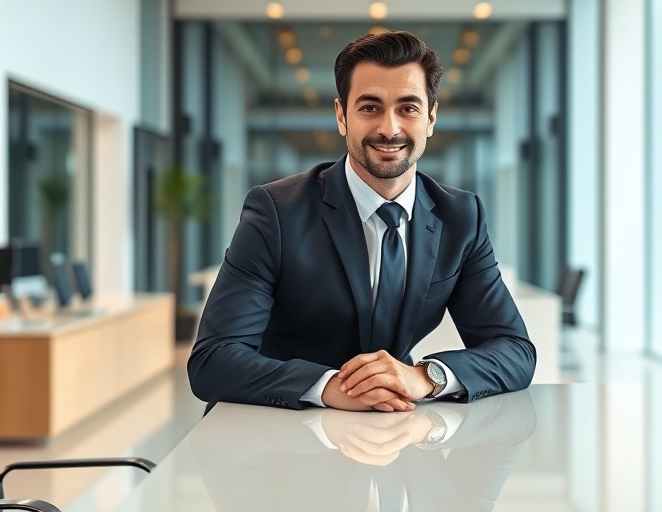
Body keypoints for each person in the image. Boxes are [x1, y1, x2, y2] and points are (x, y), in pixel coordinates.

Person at [188, 30, 535, 412]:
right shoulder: (275, 211)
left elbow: (515, 350)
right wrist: (330, 387)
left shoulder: (461, 216)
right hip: (279, 432)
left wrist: (424, 377)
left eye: (408, 108)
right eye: (370, 107)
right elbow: (213, 360)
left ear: (431, 117)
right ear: (342, 115)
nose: (389, 128)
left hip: (395, 429)